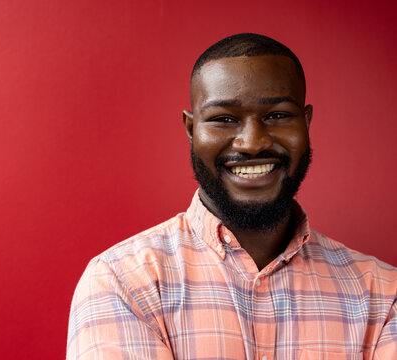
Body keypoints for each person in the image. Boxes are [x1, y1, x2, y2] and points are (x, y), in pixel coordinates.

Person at [66, 33, 397, 359]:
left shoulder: (383, 294)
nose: (252, 143)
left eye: (278, 116)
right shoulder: (123, 283)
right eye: (223, 119)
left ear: (305, 123)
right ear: (191, 130)